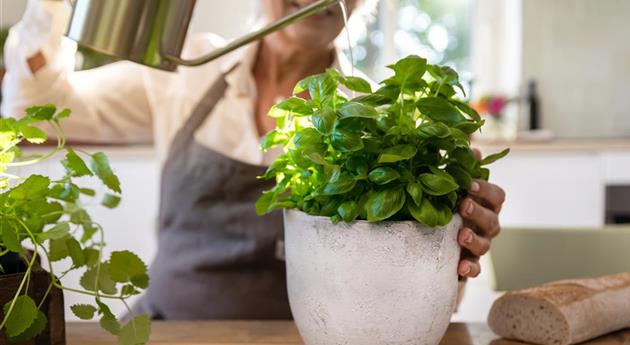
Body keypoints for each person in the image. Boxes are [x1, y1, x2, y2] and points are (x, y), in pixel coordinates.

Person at [2, 0, 506, 320]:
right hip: (165, 330)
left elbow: (410, 302)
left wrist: (445, 251)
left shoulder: (379, 123)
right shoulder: (190, 72)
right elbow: (33, 111)